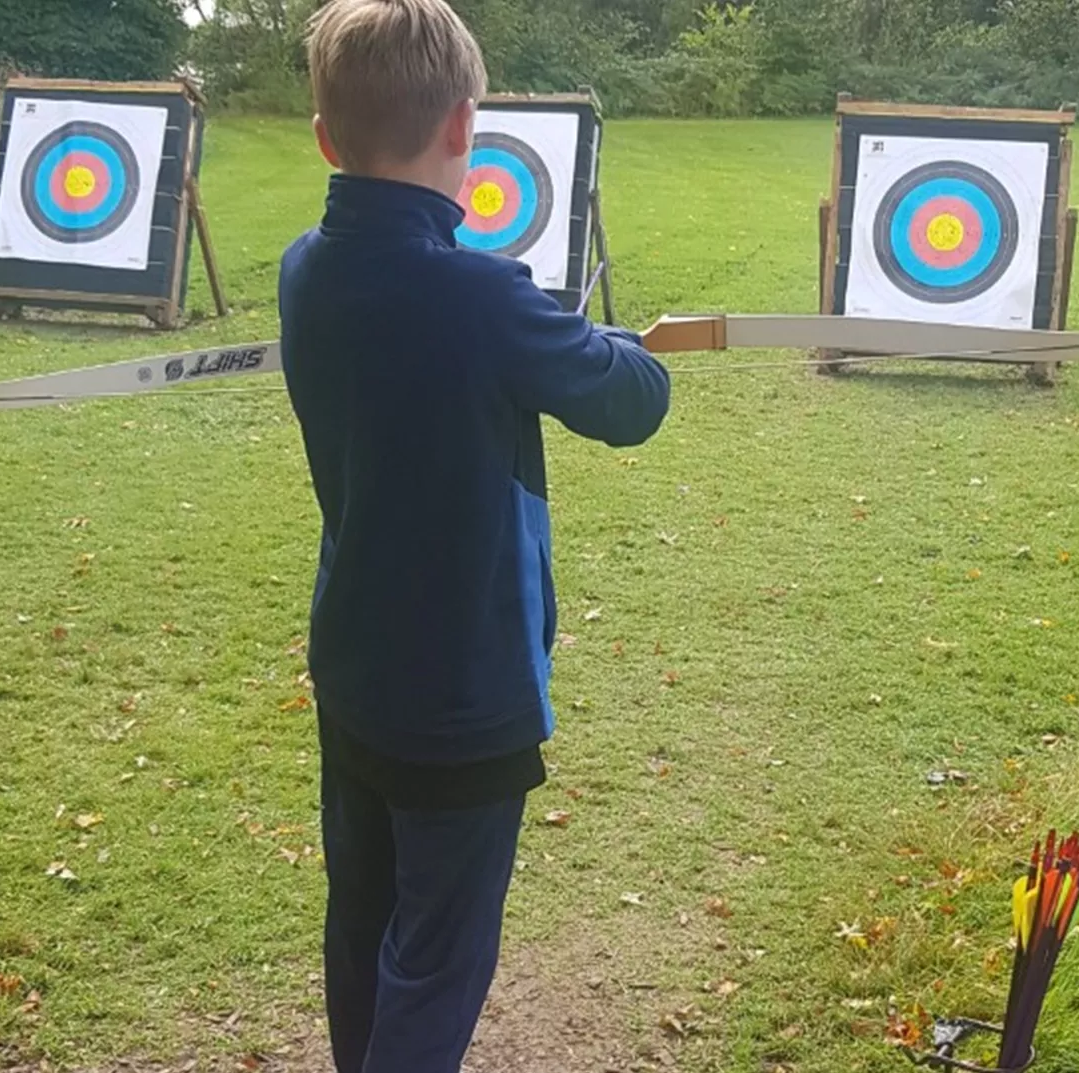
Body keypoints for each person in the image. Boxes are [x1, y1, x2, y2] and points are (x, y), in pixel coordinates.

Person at [277, 0, 673, 1069]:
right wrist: (599, 340)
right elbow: (634, 400)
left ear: (326, 137)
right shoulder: (482, 295)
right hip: (462, 694)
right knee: (440, 956)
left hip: (355, 662)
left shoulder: (306, 266)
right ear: (465, 127)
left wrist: (548, 333)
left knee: (361, 920)